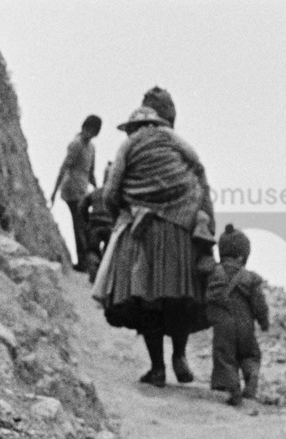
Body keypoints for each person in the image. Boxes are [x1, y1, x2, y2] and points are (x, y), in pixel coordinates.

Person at [91, 87, 215, 387]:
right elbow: (200, 175)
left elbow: (111, 193)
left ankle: (158, 368)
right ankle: (180, 357)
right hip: (180, 231)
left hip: (141, 233)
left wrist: (124, 212)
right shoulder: (175, 140)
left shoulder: (128, 145)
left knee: (147, 302)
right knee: (179, 298)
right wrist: (206, 227)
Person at [206, 225, 270, 407]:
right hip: (245, 325)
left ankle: (234, 390)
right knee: (250, 354)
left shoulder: (213, 274)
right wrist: (263, 321)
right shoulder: (250, 278)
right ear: (242, 256)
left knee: (225, 357)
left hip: (222, 325)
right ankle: (251, 381)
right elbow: (259, 303)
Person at [51, 115, 102, 273]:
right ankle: (82, 262)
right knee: (80, 224)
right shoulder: (76, 144)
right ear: (83, 128)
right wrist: (54, 191)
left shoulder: (91, 148)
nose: (89, 134)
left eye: (93, 132)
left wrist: (99, 191)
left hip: (83, 191)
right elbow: (64, 167)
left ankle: (86, 261)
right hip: (71, 189)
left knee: (84, 224)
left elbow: (91, 173)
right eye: (88, 130)